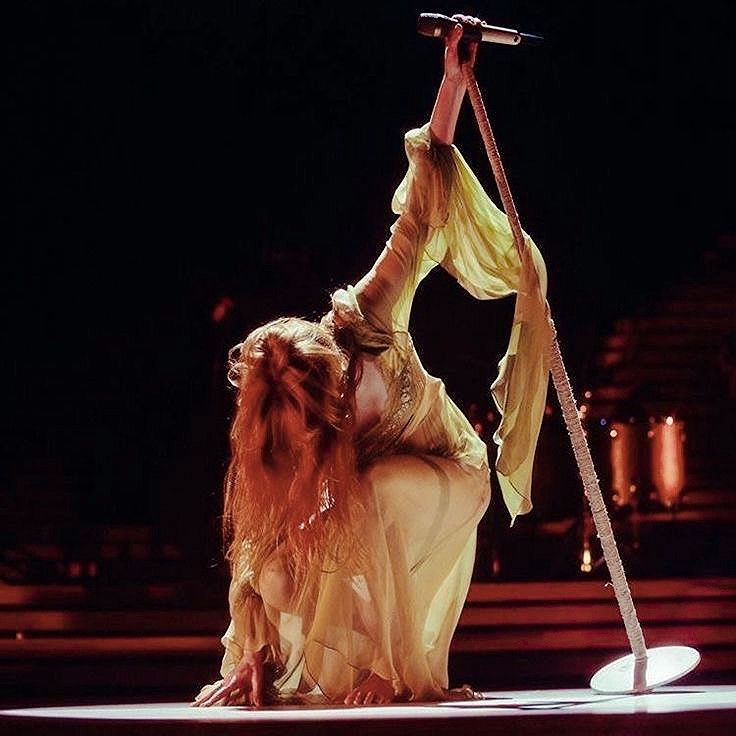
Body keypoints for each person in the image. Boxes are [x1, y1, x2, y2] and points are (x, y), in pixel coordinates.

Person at [193, 15, 551, 708]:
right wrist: (250, 651)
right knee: (284, 561)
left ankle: (393, 669)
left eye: (307, 419)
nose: (303, 436)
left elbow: (419, 209)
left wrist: (452, 83)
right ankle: (317, 668)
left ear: (330, 381)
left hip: (451, 474)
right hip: (377, 504)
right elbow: (258, 540)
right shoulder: (284, 425)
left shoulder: (371, 313)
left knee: (374, 488)